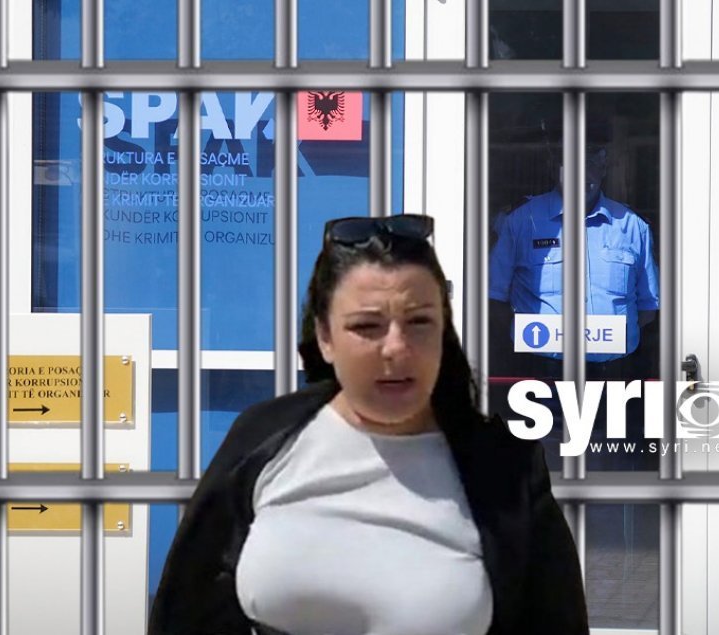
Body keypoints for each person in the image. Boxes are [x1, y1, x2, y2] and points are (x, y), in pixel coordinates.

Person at [148, 214, 589, 635]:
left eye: (419, 322)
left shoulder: (505, 469)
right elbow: (187, 610)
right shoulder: (264, 439)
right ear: (325, 337)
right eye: (367, 326)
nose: (396, 347)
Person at [489, 145, 660, 379]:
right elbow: (495, 298)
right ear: (553, 169)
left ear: (603, 169)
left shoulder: (632, 225)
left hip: (615, 375)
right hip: (539, 372)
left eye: (589, 163)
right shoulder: (520, 221)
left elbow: (647, 309)